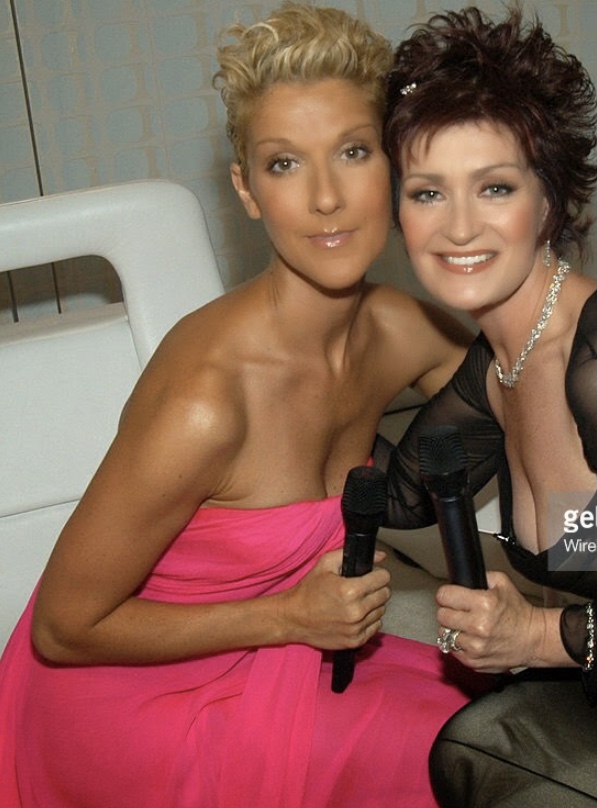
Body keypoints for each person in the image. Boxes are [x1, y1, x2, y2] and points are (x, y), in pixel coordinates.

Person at [0, 4, 481, 807]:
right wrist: (289, 618)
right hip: (130, 701)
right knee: (464, 759)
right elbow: (63, 626)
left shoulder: (403, 331)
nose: (325, 197)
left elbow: (539, 419)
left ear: (396, 164)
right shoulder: (208, 399)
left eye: (352, 152)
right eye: (284, 164)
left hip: (294, 657)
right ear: (247, 190)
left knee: (501, 719)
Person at [380, 4, 597, 805]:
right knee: (468, 746)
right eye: (427, 193)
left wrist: (538, 635)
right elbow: (395, 499)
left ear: (549, 202)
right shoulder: (498, 368)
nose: (459, 226)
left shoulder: (589, 357)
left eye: (494, 187)